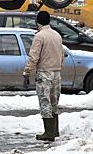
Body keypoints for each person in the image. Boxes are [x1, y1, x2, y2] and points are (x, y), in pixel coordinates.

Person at [22, 11, 63, 142]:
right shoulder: (57, 35)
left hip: (44, 73)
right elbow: (61, 55)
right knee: (54, 102)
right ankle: (55, 130)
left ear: (37, 22)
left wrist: (27, 72)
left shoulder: (40, 36)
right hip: (57, 73)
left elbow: (34, 56)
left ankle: (48, 133)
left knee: (45, 102)